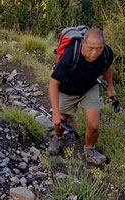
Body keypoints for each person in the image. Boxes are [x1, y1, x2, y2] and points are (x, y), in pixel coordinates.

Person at [48, 27, 115, 165]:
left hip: (88, 89)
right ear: (83, 43)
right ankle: (58, 138)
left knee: (94, 125)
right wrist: (55, 112)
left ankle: (90, 150)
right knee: (60, 122)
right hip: (67, 90)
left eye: (99, 48)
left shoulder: (106, 53)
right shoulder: (70, 55)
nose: (95, 52)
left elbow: (107, 67)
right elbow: (53, 84)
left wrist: (110, 87)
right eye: (90, 48)